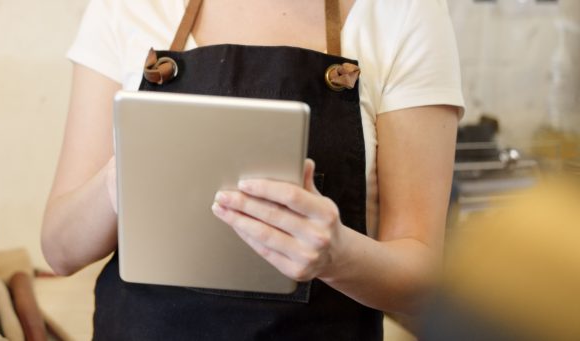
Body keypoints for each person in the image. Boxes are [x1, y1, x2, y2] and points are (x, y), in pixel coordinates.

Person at [41, 0, 463, 340]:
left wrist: (337, 255)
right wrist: (121, 177)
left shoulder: (404, 12)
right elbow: (60, 250)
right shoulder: (124, 8)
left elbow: (421, 281)